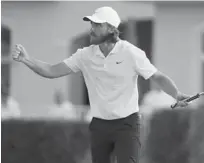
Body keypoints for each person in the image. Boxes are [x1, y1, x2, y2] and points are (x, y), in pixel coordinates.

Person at [12, 6, 190, 163]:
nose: (92, 29)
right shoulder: (84, 55)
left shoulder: (131, 53)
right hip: (99, 125)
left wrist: (177, 94)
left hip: (127, 124)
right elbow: (51, 71)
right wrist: (27, 60)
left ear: (111, 28)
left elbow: (158, 77)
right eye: (92, 24)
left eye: (97, 25)